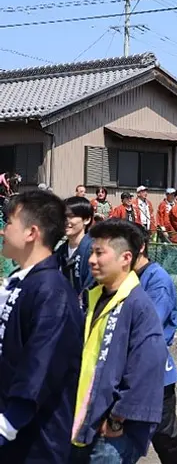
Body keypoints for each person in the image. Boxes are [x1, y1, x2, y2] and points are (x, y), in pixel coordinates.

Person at [70, 219, 168, 464]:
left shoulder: (138, 305)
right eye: (92, 252)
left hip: (110, 433)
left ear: (125, 258)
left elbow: (146, 369)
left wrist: (116, 418)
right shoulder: (91, 297)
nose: (92, 260)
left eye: (100, 253)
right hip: (82, 421)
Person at [0, 190, 84, 463]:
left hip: (35, 442)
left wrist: (8, 424)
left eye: (8, 222)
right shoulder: (22, 281)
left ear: (31, 232)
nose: (3, 230)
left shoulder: (52, 291)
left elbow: (41, 364)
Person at [133, 226, 177, 464]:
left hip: (154, 370)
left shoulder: (157, 279)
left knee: (164, 436)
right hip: (124, 371)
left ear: (139, 247)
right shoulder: (121, 278)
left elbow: (151, 324)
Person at [57, 195, 96, 308]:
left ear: (87, 219)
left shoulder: (93, 250)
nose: (66, 221)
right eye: (63, 216)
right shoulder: (61, 250)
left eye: (71, 216)